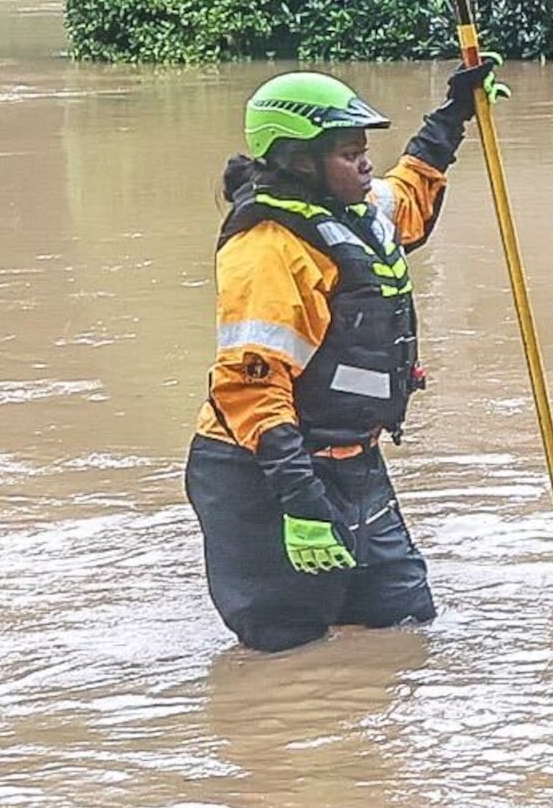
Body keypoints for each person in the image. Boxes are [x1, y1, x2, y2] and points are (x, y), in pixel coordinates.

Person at [189, 59, 499, 653]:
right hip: (264, 476)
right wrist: (301, 503)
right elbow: (251, 390)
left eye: (364, 149)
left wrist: (455, 113)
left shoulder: (359, 212)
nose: (364, 164)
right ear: (298, 160)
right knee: (285, 653)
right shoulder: (267, 250)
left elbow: (409, 194)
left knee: (402, 621)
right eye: (347, 152)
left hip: (355, 464)